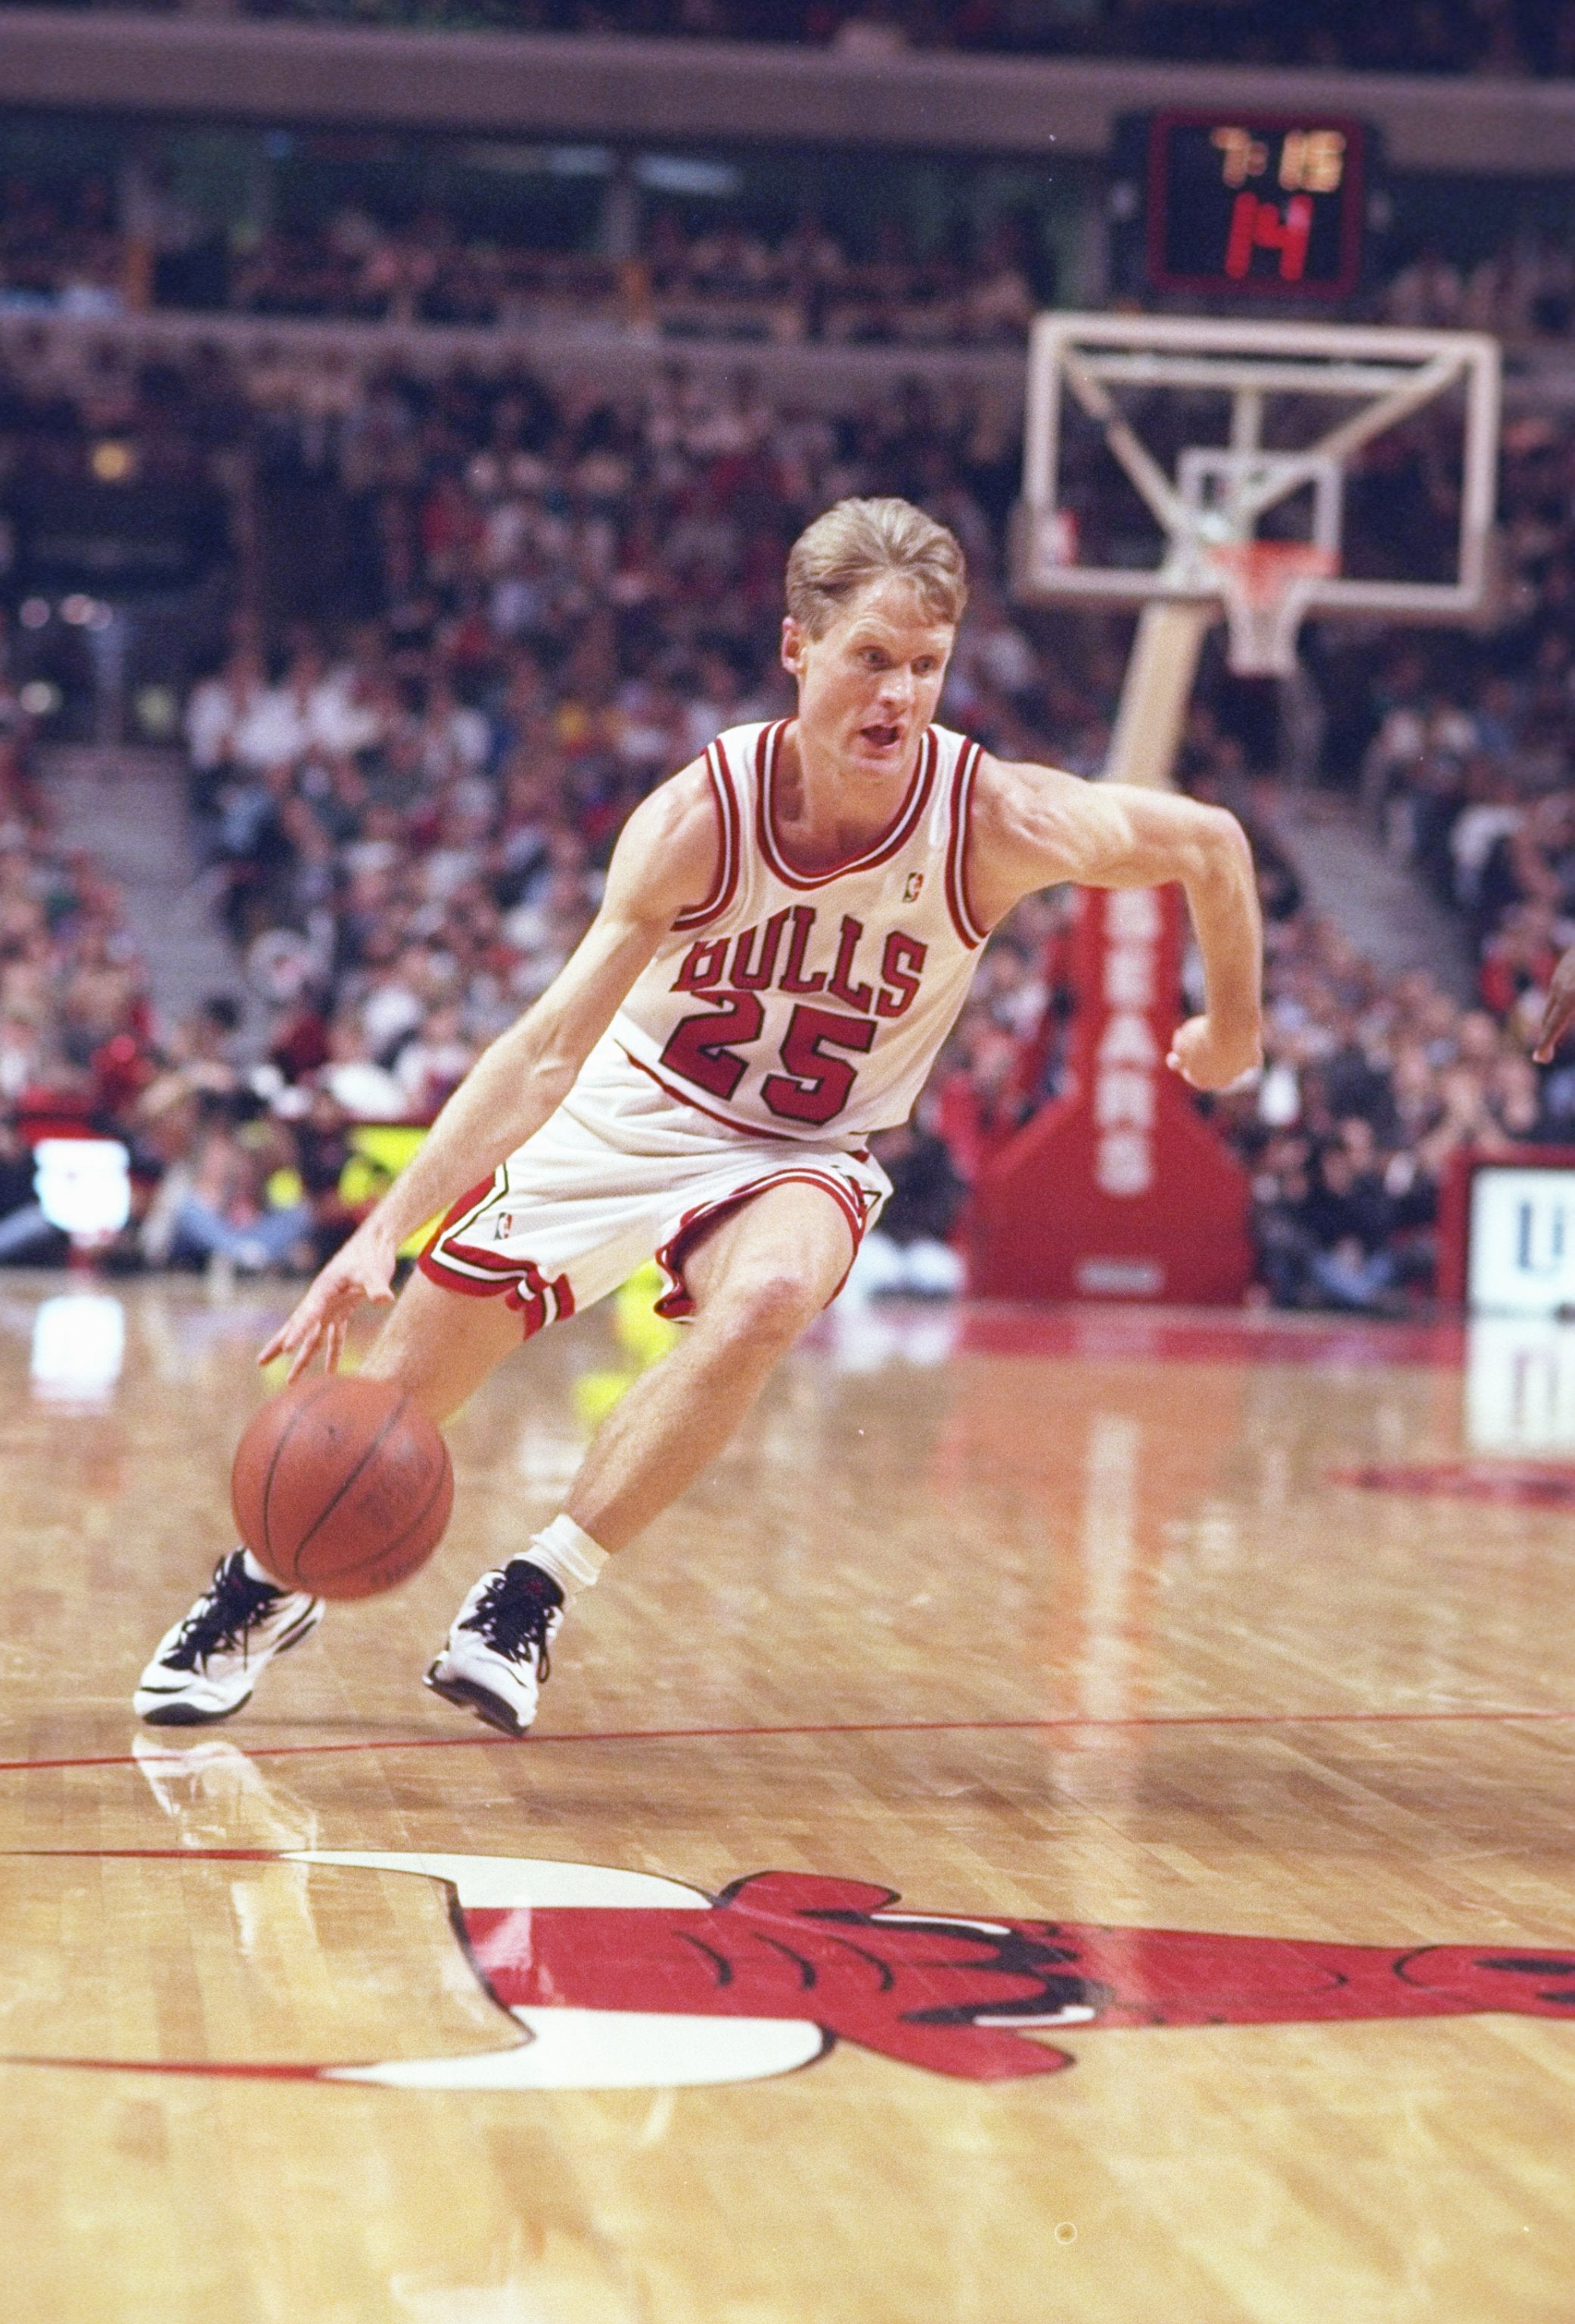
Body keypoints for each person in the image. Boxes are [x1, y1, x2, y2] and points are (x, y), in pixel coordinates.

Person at [135, 498, 1263, 1735]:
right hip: (632, 1104)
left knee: (772, 1295)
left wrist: (1231, 1033)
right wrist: (378, 1233)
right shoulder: (697, 817)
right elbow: (545, 1052)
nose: (898, 696)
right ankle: (261, 1587)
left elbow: (1208, 844)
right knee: (381, 1416)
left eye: (926, 667)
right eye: (870, 661)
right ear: (797, 650)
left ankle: (532, 1591)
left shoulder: (994, 819)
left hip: (801, 1147)